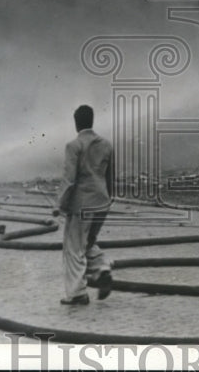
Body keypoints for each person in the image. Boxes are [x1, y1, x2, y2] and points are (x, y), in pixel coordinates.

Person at [58, 104, 113, 305]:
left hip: (81, 205)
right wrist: (108, 200)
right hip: (102, 202)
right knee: (88, 241)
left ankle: (77, 293)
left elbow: (69, 180)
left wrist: (60, 205)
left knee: (74, 248)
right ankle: (102, 269)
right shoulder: (106, 145)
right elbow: (110, 177)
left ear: (76, 122)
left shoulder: (73, 146)